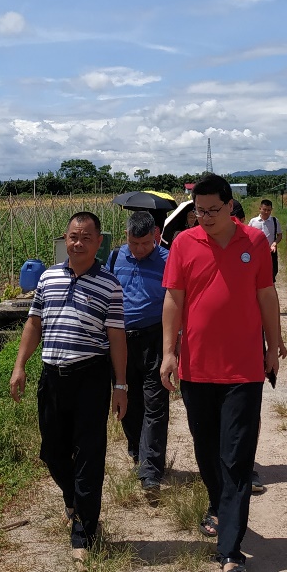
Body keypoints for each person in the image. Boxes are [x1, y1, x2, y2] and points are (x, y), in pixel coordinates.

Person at [161, 174, 284, 572]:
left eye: (213, 210)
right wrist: (168, 353)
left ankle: (230, 550)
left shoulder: (255, 242)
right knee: (207, 451)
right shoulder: (184, 243)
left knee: (236, 457)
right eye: (199, 211)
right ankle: (218, 503)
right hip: (197, 368)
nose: (206, 217)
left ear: (231, 206)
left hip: (243, 370)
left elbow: (266, 294)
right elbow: (173, 299)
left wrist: (273, 345)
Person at [10, 212, 129, 562]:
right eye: (73, 237)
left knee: (89, 455)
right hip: (52, 376)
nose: (78, 243)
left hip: (90, 377)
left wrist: (120, 385)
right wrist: (20, 365)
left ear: (98, 243)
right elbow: (34, 324)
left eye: (86, 238)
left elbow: (116, 338)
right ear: (65, 239)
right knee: (52, 451)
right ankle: (74, 500)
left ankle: (84, 534)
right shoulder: (48, 278)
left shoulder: (110, 285)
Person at [108, 210, 170, 494]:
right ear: (127, 236)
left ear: (155, 236)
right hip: (120, 341)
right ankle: (137, 451)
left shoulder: (168, 260)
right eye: (134, 243)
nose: (140, 249)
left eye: (146, 243)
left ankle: (151, 470)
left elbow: (176, 302)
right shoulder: (114, 258)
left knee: (155, 403)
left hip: (154, 338)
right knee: (127, 400)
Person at [247, 199, 282, 279]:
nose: (266, 212)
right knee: (257, 274)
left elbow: (279, 235)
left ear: (271, 210)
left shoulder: (274, 221)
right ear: (260, 209)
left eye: (269, 210)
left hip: (270, 252)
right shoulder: (253, 221)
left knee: (272, 273)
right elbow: (248, 236)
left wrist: (274, 243)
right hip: (256, 252)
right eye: (264, 209)